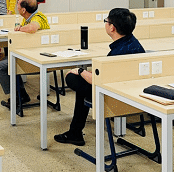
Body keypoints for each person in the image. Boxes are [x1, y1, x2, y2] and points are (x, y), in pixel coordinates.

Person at [54, 8, 145, 146]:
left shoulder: (117, 53)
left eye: (106, 21)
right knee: (84, 84)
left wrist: (80, 71)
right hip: (133, 93)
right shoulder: (133, 43)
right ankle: (75, 132)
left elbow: (100, 80)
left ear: (112, 28)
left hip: (116, 98)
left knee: (74, 80)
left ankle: (75, 132)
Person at [0, 0, 50, 110]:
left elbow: (32, 28)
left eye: (18, 4)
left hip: (36, 58)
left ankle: (18, 96)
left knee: (0, 67)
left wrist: (20, 28)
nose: (16, 6)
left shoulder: (38, 18)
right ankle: (21, 94)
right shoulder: (27, 18)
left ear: (23, 10)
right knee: (7, 60)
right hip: (28, 54)